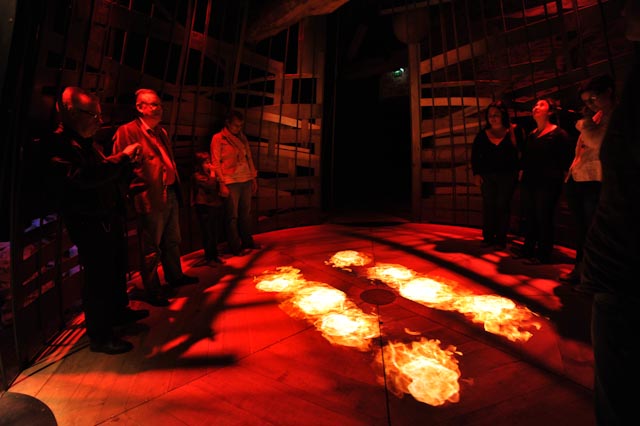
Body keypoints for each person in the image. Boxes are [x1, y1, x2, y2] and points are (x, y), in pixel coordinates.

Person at [45, 87, 149, 354]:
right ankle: (100, 335)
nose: (99, 121)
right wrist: (122, 158)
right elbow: (84, 177)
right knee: (99, 278)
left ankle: (117, 312)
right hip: (89, 222)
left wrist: (127, 168)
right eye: (94, 115)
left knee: (115, 269)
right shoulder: (59, 145)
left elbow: (103, 175)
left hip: (107, 216)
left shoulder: (87, 143)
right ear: (71, 112)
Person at [580, 1, 640, 423]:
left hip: (627, 268)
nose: (621, 12)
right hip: (620, 263)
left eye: (630, 3)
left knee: (621, 396)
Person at [112, 88, 198, 307]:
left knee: (172, 239)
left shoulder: (160, 132)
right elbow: (119, 166)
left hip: (169, 192)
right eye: (153, 104)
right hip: (149, 198)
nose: (159, 108)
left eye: (159, 104)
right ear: (140, 107)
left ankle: (175, 276)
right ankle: (153, 289)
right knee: (151, 247)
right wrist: (133, 193)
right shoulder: (127, 131)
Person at [559, 74, 616, 284]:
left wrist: (584, 124)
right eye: (586, 101)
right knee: (582, 228)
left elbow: (597, 142)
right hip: (578, 177)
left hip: (595, 180)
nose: (590, 104)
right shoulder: (597, 117)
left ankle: (592, 274)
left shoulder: (615, 117)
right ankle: (581, 269)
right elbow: (581, 150)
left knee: (593, 229)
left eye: (593, 98)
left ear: (608, 92)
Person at [515, 98, 574, 264]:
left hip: (548, 182)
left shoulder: (559, 134)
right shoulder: (532, 134)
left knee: (544, 216)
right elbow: (526, 158)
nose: (536, 107)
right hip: (530, 181)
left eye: (541, 105)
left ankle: (543, 254)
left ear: (550, 111)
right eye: (535, 105)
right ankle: (528, 250)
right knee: (530, 215)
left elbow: (566, 159)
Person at [471, 101, 523, 249]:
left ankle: (501, 238)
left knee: (503, 205)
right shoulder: (482, 135)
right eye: (490, 115)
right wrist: (477, 173)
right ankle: (488, 237)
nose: (493, 118)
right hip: (487, 176)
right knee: (489, 205)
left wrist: (520, 170)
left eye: (496, 115)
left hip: (507, 176)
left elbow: (521, 152)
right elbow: (476, 156)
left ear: (503, 115)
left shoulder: (514, 131)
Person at [210, 110, 259, 256]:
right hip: (231, 180)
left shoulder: (242, 137)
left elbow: (248, 158)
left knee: (246, 214)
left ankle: (247, 241)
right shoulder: (218, 138)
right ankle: (235, 246)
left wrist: (253, 178)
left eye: (240, 126)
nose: (238, 128)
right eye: (236, 125)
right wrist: (221, 182)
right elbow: (216, 161)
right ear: (228, 123)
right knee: (232, 215)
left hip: (245, 179)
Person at [192, 151, 224, 265]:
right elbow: (210, 186)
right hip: (204, 206)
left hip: (214, 204)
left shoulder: (208, 174)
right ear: (199, 165)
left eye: (209, 162)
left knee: (214, 231)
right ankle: (209, 257)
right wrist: (213, 173)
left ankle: (214, 255)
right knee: (208, 232)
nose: (209, 165)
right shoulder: (197, 176)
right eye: (206, 163)